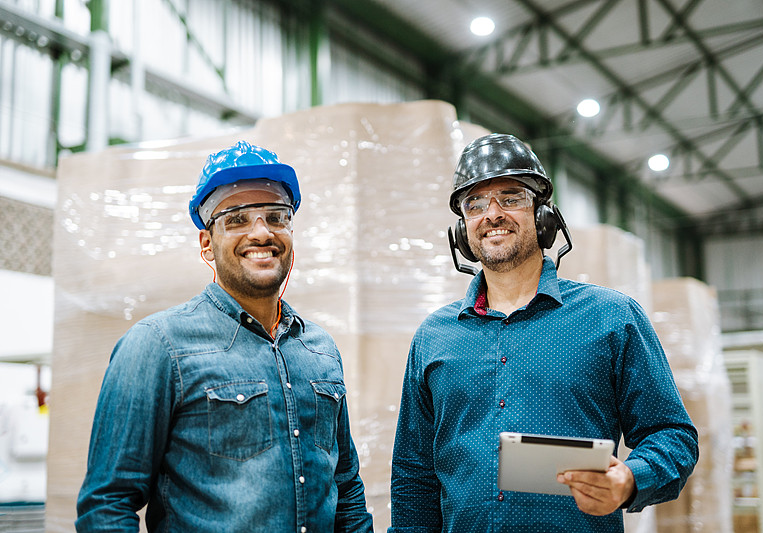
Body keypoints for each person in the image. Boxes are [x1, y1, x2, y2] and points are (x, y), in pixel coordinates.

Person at [389, 133, 698, 532]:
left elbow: (672, 435)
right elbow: (413, 475)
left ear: (543, 216)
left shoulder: (611, 317)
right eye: (475, 204)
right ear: (462, 230)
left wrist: (630, 479)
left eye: (511, 198)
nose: (492, 215)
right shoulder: (434, 336)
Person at [76, 140, 374, 532]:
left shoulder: (319, 349)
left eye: (276, 216)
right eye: (236, 219)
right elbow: (107, 505)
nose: (261, 233)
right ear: (207, 244)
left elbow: (346, 490)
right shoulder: (159, 345)